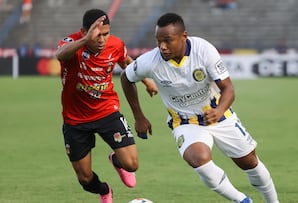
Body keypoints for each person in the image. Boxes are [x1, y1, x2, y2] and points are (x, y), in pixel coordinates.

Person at [121, 13, 279, 203]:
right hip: (184, 122)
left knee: (250, 163)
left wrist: (219, 111)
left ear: (183, 36)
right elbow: (126, 78)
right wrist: (139, 116)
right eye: (159, 41)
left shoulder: (204, 50)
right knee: (198, 159)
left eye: (168, 40)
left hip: (219, 116)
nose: (162, 46)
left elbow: (228, 88)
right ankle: (243, 201)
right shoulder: (150, 61)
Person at [55, 9, 158, 203]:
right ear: (83, 31)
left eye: (106, 34)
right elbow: (60, 55)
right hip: (75, 119)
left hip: (106, 110)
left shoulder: (116, 44)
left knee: (132, 164)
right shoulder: (71, 43)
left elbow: (125, 60)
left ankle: (116, 160)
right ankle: (104, 189)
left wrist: (146, 82)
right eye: (97, 34)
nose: (102, 39)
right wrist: (86, 40)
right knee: (85, 179)